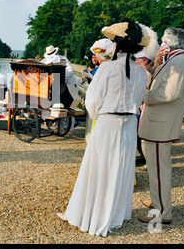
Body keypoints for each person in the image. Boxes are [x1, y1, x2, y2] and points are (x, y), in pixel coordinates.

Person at [56, 20, 155, 237]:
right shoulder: (140, 72)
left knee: (98, 167)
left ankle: (89, 214)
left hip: (108, 123)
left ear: (117, 46)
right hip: (129, 125)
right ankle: (113, 214)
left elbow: (92, 101)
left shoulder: (108, 68)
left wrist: (101, 116)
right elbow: (139, 100)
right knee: (119, 168)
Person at [138, 27, 184, 224]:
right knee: (155, 168)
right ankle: (157, 201)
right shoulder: (174, 59)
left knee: (160, 169)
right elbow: (159, 80)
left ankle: (161, 211)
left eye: (163, 40)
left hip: (161, 125)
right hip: (157, 123)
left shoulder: (178, 62)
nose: (161, 43)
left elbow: (169, 93)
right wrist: (156, 62)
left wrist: (143, 96)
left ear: (169, 42)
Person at [83, 39, 114, 142]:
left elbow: (96, 97)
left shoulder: (104, 68)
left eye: (97, 55)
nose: (96, 58)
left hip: (102, 110)